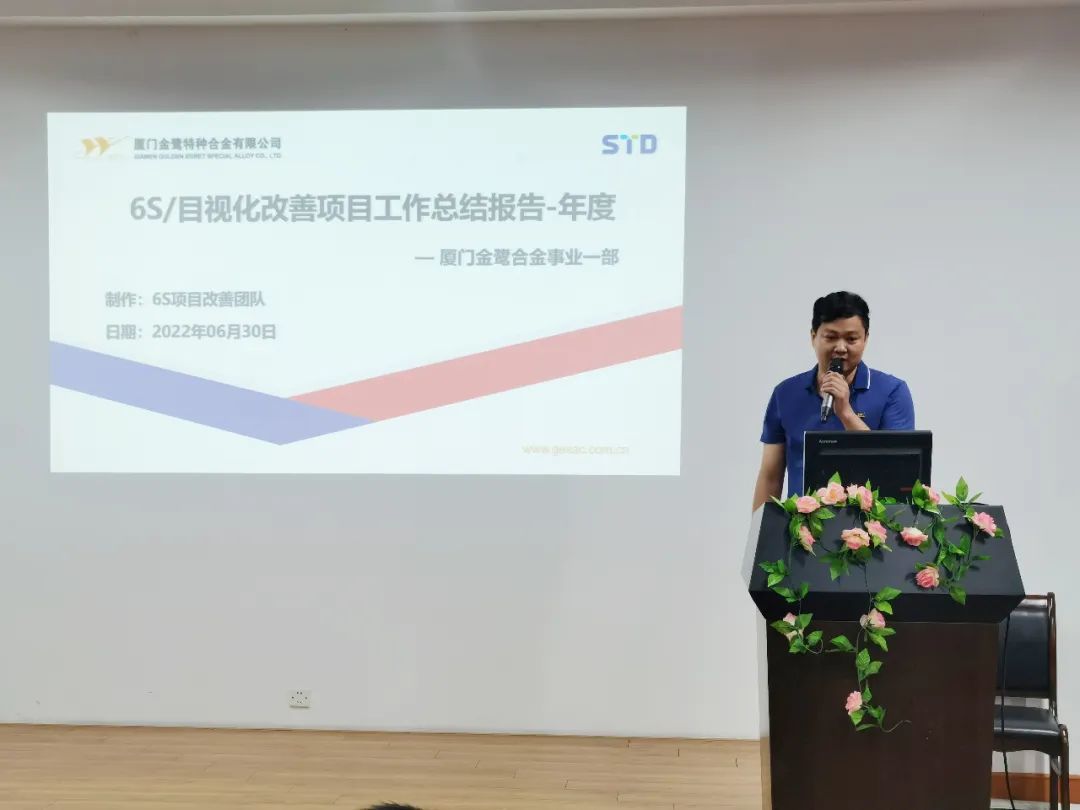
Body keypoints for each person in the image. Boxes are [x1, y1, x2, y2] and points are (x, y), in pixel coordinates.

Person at [752, 291, 914, 509]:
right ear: (813, 337)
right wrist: (758, 528)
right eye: (830, 337)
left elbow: (897, 472)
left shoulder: (893, 391)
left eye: (851, 339)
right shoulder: (785, 393)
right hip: (801, 524)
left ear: (866, 338)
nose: (840, 348)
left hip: (870, 524)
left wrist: (846, 413)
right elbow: (770, 476)